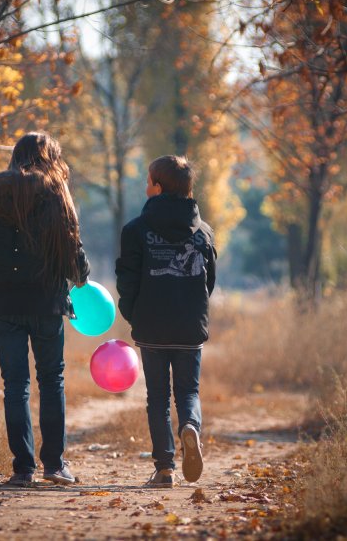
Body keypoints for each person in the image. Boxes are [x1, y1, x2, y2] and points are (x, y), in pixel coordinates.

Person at [0, 132, 89, 487]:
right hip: (46, 302)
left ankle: (22, 469)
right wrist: (80, 275)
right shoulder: (56, 193)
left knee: (15, 385)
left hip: (4, 304)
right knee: (52, 381)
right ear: (50, 158)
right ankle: (55, 465)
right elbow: (73, 247)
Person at [115, 155, 217, 488]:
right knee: (188, 391)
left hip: (152, 326)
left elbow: (126, 281)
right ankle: (190, 426)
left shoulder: (135, 231)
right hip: (189, 326)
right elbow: (209, 282)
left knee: (157, 398)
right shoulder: (204, 232)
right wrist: (195, 310)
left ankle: (165, 469)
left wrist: (134, 315)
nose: (146, 186)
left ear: (157, 188)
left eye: (148, 181)